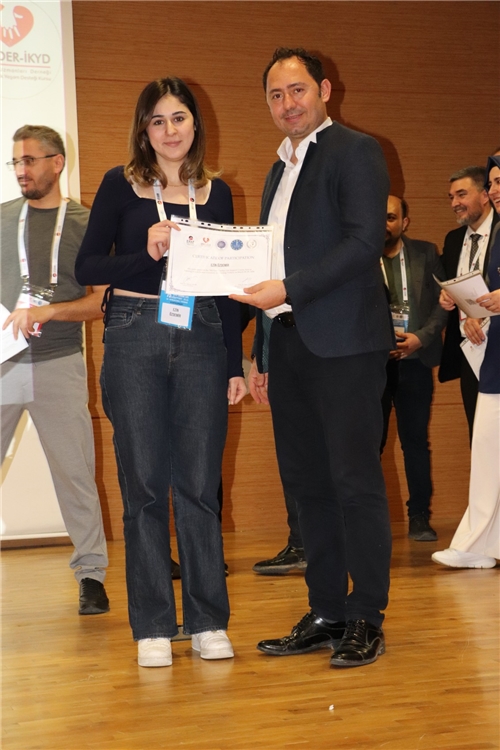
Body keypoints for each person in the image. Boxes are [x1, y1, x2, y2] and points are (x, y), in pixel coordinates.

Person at [75, 78, 246, 667]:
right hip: (134, 330)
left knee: (199, 485)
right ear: (143, 130)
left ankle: (207, 621)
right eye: (157, 120)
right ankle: (151, 624)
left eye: (179, 118)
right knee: (144, 486)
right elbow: (87, 266)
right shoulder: (118, 185)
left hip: (202, 333)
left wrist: (234, 364)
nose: (170, 130)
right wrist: (143, 252)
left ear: (196, 124)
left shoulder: (217, 193)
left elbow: (229, 288)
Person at [231, 48, 393, 668]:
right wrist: (261, 351)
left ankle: (366, 616)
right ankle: (326, 610)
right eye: (276, 95)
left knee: (355, 483)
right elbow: (269, 262)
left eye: (297, 90)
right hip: (291, 345)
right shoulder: (278, 169)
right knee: (307, 487)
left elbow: (364, 241)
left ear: (324, 90)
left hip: (347, 344)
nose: (287, 104)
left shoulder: (357, 150)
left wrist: (289, 290)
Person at [1, 125, 109, 615]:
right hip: (2, 364)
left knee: (75, 475)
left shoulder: (86, 223)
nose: (21, 170)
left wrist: (50, 311)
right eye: (15, 162)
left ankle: (91, 575)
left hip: (58, 363)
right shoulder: (2, 218)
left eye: (29, 160)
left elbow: (102, 301)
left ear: (57, 162)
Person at [432, 155, 500, 569]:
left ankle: (478, 544)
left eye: (498, 182)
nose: (495, 190)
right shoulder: (461, 238)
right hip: (482, 355)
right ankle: (479, 544)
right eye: (492, 182)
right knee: (486, 445)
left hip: (493, 350)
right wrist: (457, 304)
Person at [380, 196, 448, 541]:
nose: (383, 224)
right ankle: (370, 521)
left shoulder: (426, 252)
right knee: (369, 446)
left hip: (416, 363)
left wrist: (421, 338)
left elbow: (444, 303)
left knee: (416, 444)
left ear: (404, 222)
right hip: (373, 367)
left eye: (391, 217)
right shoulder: (359, 257)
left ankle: (419, 516)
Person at [438, 166, 498, 442]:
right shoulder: (453, 240)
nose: (455, 203)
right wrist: (446, 295)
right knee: (479, 437)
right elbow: (453, 284)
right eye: (451, 197)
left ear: (485, 195)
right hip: (469, 351)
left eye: (462, 194)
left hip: (496, 345)